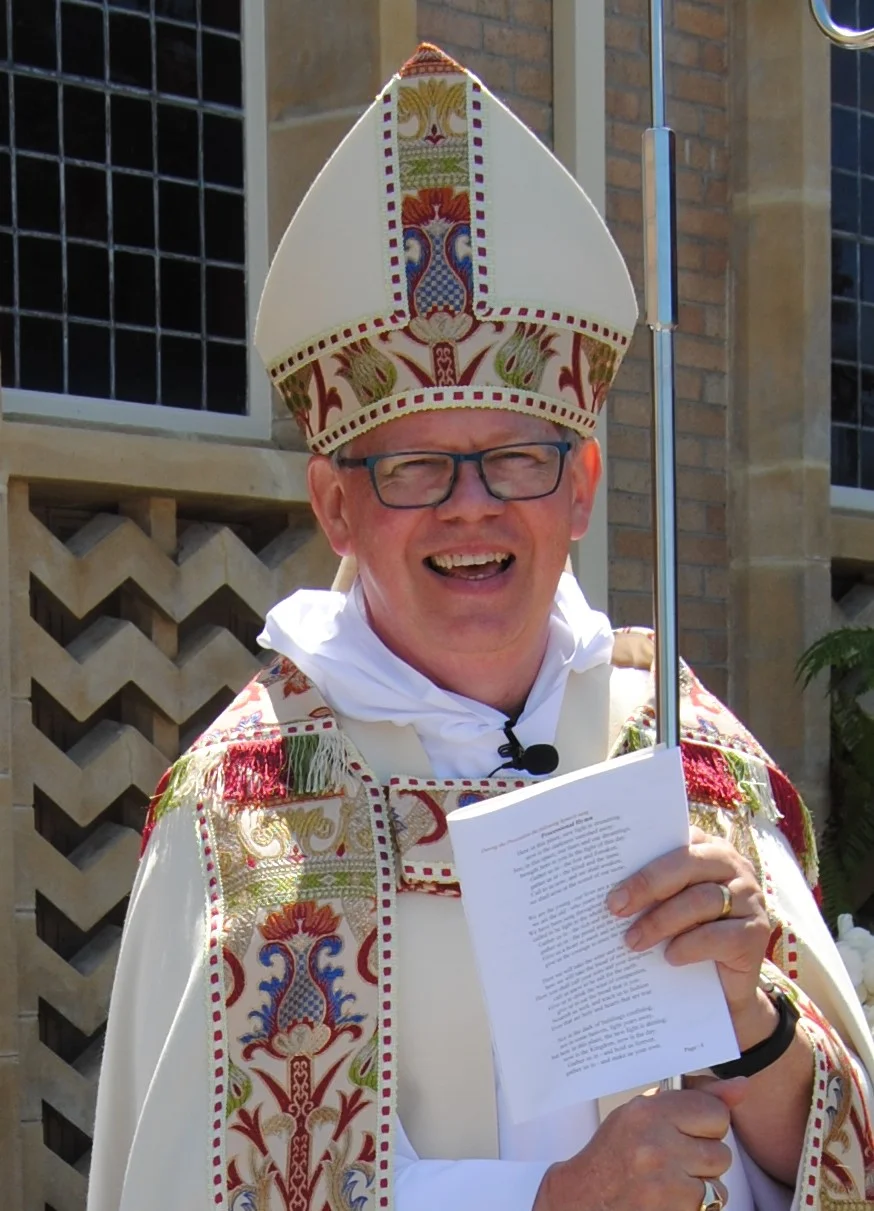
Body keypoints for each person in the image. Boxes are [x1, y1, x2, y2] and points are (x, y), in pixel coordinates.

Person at [87, 43, 874, 1211]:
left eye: (514, 457)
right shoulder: (244, 809)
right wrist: (555, 1196)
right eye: (414, 467)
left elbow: (839, 1156)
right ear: (335, 504)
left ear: (580, 486)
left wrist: (750, 1018)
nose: (471, 505)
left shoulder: (689, 757)